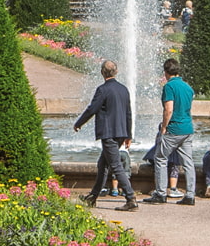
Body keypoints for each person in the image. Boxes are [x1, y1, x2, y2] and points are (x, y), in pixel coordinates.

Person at [73, 59, 137, 212]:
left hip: (108, 133)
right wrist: (128, 135)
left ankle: (131, 198)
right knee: (103, 164)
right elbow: (129, 114)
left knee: (115, 165)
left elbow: (92, 109)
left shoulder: (102, 90)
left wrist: (79, 123)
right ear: (116, 72)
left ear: (102, 72)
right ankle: (93, 197)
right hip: (121, 133)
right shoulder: (123, 89)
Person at [149, 59, 197, 203]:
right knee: (188, 162)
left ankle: (161, 193)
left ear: (165, 72)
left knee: (160, 158)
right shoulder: (188, 87)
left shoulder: (169, 86)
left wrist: (164, 127)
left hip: (174, 129)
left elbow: (168, 109)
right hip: (187, 129)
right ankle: (190, 195)